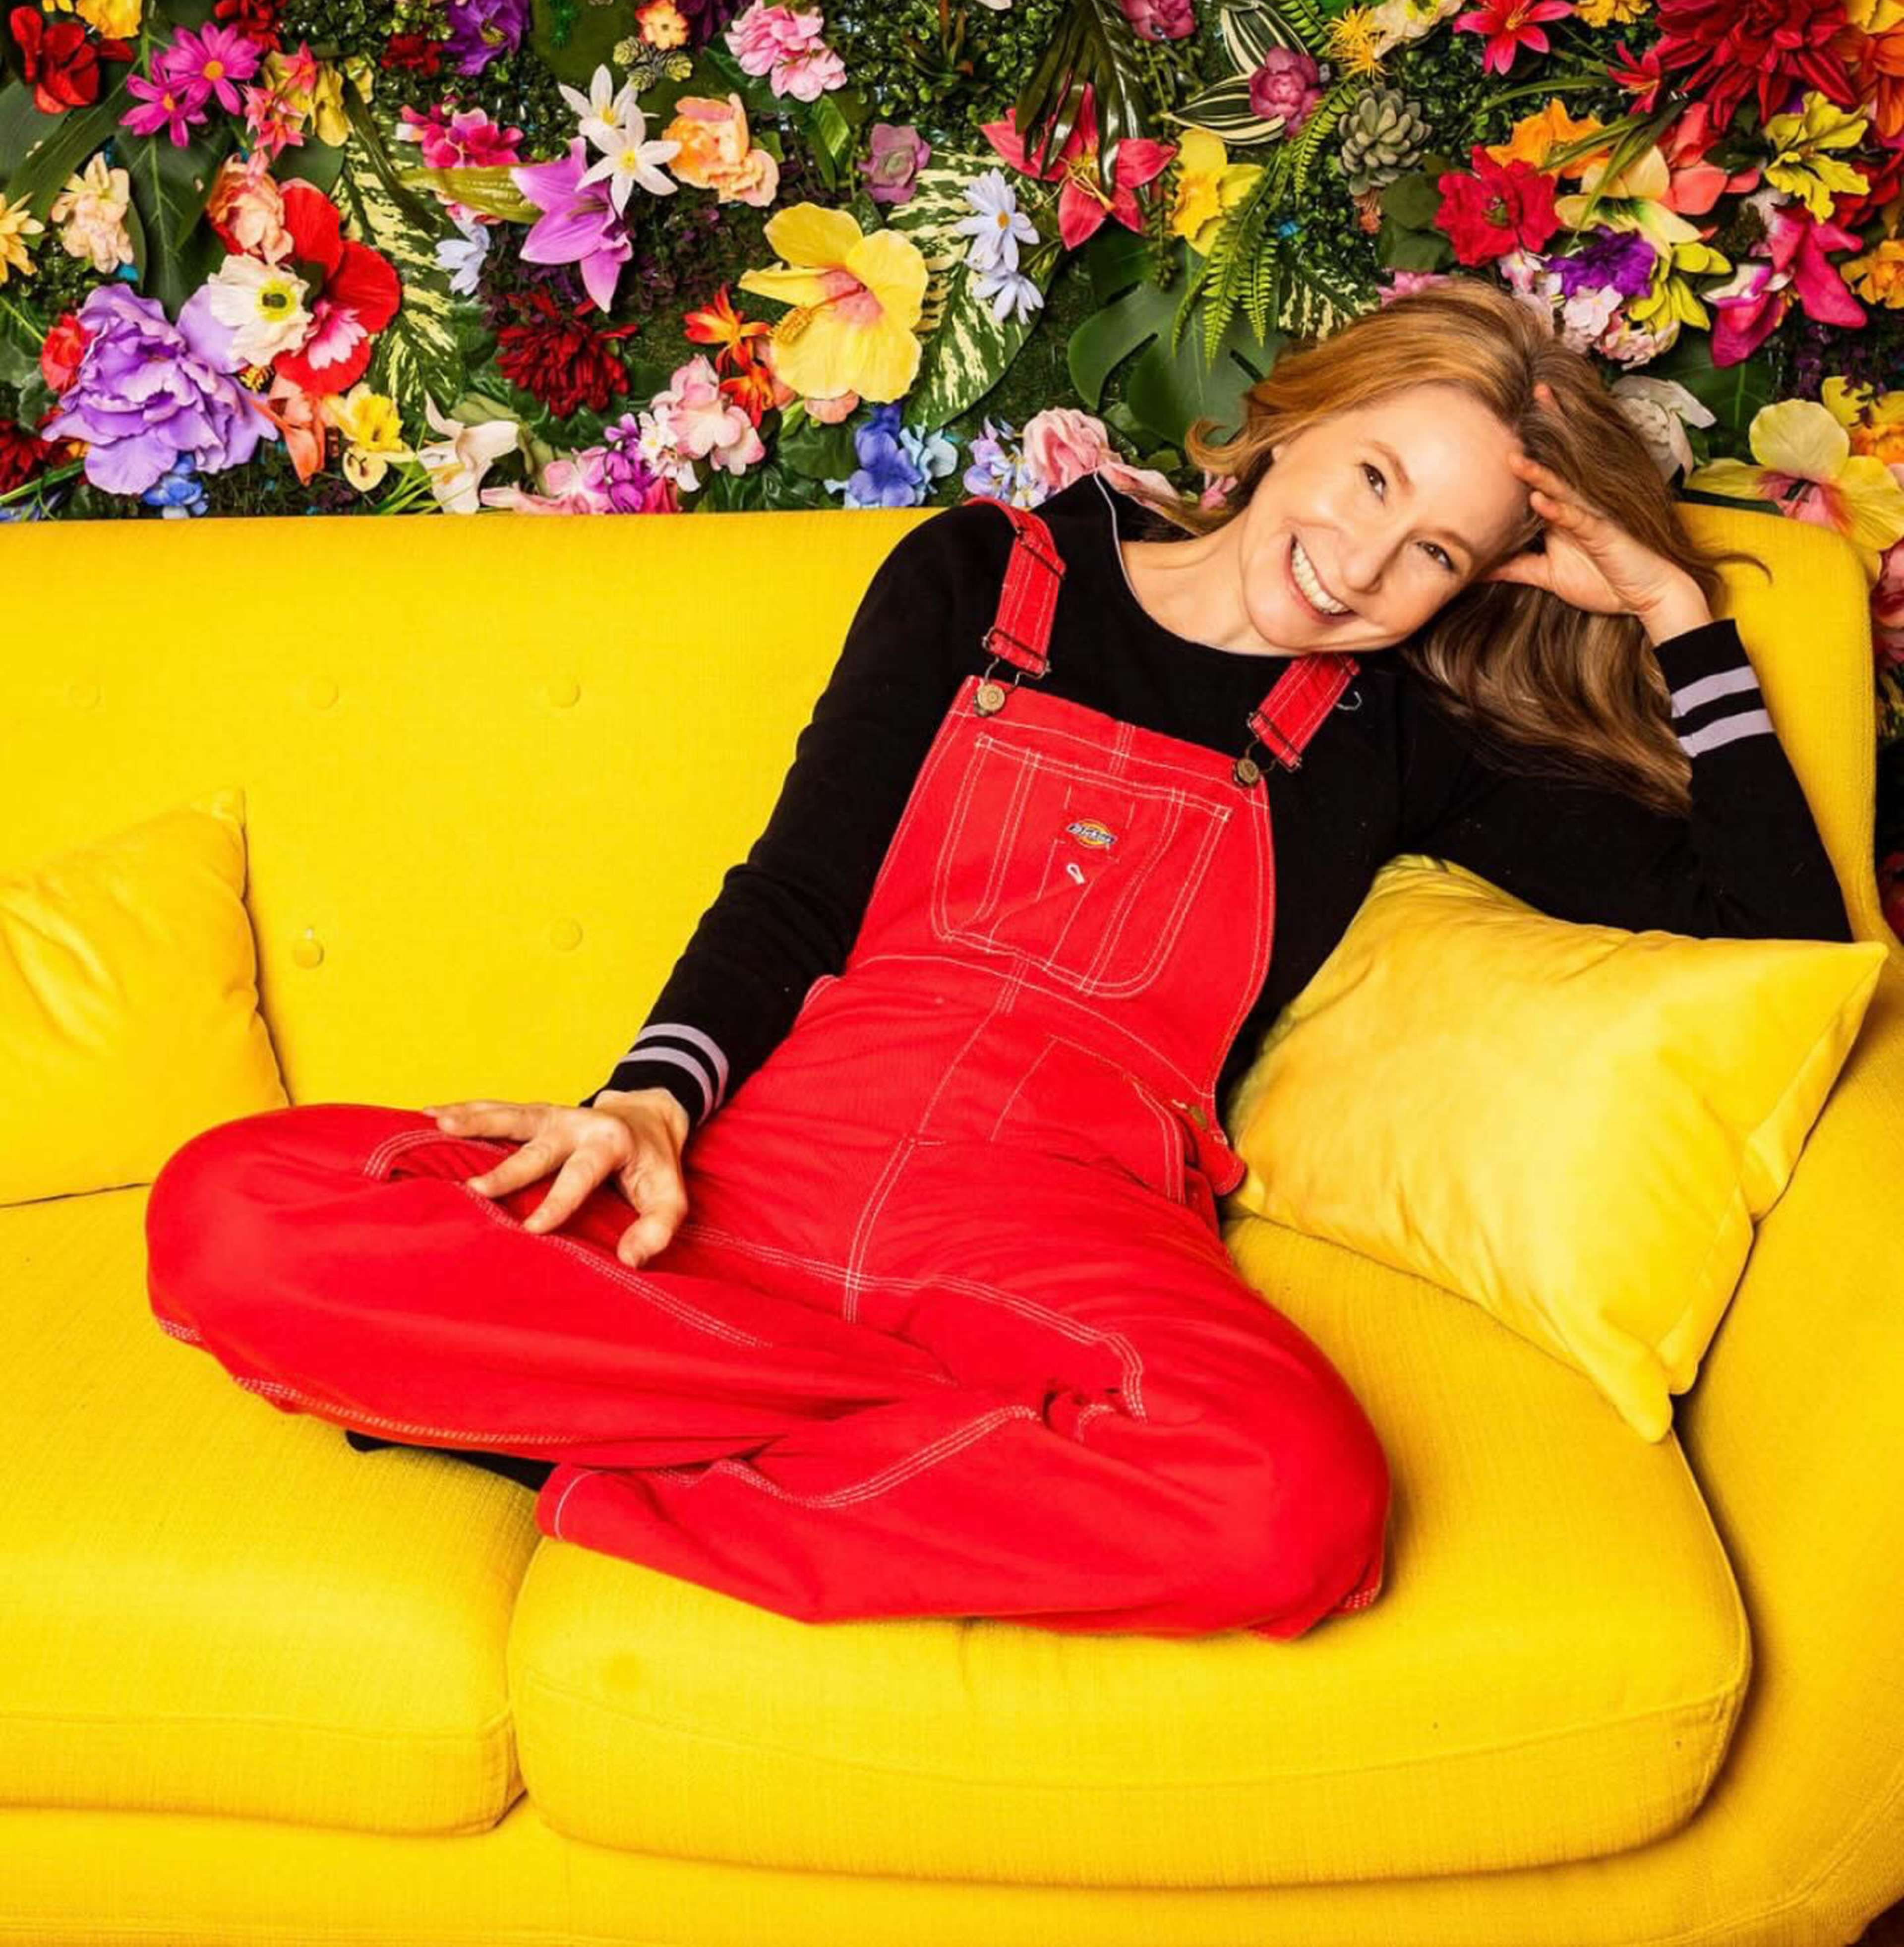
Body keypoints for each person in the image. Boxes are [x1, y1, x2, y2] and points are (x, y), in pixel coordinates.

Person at [144, 280, 1853, 1639]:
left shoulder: (1399, 735)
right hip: (766, 1171)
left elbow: (1779, 944)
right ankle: (902, 1418)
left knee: (1296, 1509)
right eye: (1376, 476)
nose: (1368, 558)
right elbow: (799, 889)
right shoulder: (981, 569)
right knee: (226, 1213)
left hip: (1062, 1227)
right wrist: (649, 1104)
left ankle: (592, 1447)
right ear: (1292, 422)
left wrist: (1677, 615)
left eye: (1436, 556)